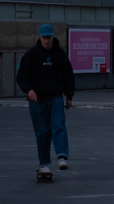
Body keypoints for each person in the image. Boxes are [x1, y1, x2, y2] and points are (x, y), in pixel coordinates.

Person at [17, 23, 76, 175]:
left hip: (55, 96)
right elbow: (21, 76)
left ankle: (62, 156)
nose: (46, 41)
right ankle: (44, 164)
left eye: (49, 37)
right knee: (42, 133)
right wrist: (28, 90)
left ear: (52, 36)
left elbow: (68, 75)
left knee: (58, 125)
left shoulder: (59, 54)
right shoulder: (32, 55)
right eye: (44, 38)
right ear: (39, 37)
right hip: (37, 99)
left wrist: (69, 96)